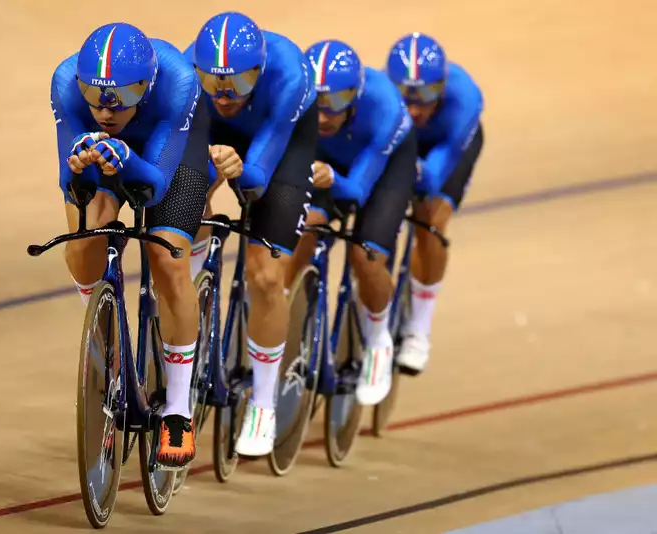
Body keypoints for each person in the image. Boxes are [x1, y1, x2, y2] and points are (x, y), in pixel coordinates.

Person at [49, 22, 212, 468]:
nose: (105, 110)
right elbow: (72, 184)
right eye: (95, 95)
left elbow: (155, 186)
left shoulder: (178, 80)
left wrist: (127, 159)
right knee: (87, 243)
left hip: (169, 159)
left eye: (121, 97)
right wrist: (81, 165)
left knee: (166, 257)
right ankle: (109, 340)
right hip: (108, 158)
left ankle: (178, 408)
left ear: (146, 84)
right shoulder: (65, 83)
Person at [185, 11, 317, 456]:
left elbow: (260, 171)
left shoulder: (290, 76)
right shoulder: (192, 80)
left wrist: (243, 171)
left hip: (281, 146)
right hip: (218, 139)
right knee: (182, 206)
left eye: (238, 84)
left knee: (264, 275)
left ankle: (263, 402)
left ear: (258, 73)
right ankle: (190, 293)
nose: (224, 95)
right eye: (214, 83)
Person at [286, 39, 416, 405]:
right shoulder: (296, 101)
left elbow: (357, 192)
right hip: (326, 166)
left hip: (384, 170)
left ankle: (378, 342)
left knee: (366, 257)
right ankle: (297, 315)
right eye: (318, 104)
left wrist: (332, 179)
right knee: (303, 229)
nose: (324, 116)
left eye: (336, 104)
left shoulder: (385, 108)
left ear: (356, 96)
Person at [386, 32, 484, 374]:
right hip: (403, 144)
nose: (414, 109)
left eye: (425, 97)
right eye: (405, 98)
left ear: (441, 87)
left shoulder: (465, 99)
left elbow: (435, 172)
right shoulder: (384, 100)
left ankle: (419, 329)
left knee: (430, 221)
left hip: (446, 149)